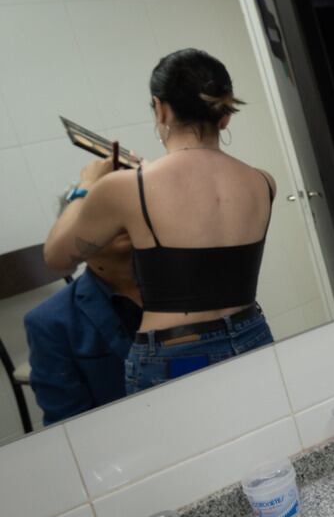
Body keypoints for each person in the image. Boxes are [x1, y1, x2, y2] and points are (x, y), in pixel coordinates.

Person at [44, 49, 276, 395]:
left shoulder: (127, 188)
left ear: (160, 108)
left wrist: (86, 186)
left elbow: (56, 258)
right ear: (224, 116)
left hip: (178, 355)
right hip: (252, 335)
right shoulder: (263, 182)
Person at [24, 230, 142, 424]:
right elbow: (67, 423)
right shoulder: (50, 322)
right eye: (101, 212)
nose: (117, 221)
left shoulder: (189, 282)